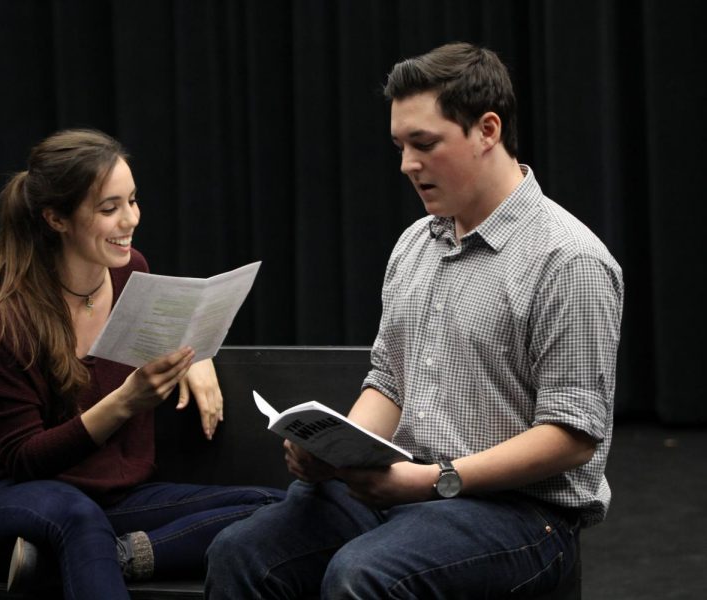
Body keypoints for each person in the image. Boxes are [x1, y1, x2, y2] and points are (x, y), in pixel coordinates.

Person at [205, 42, 624, 599]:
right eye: (400, 146)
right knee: (240, 553)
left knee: (363, 576)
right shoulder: (415, 244)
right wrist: (335, 450)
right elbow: (390, 380)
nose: (407, 164)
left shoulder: (568, 259)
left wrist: (433, 480)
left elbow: (573, 437)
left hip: (522, 515)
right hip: (408, 489)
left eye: (424, 144)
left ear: (487, 130)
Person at [0, 128, 285, 600]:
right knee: (74, 516)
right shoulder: (6, 316)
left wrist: (195, 352)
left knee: (273, 507)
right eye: (109, 209)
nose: (130, 220)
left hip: (109, 499)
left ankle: (111, 555)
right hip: (6, 499)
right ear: (57, 219)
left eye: (133, 201)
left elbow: (169, 336)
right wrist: (124, 402)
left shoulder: (131, 273)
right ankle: (85, 550)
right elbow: (24, 460)